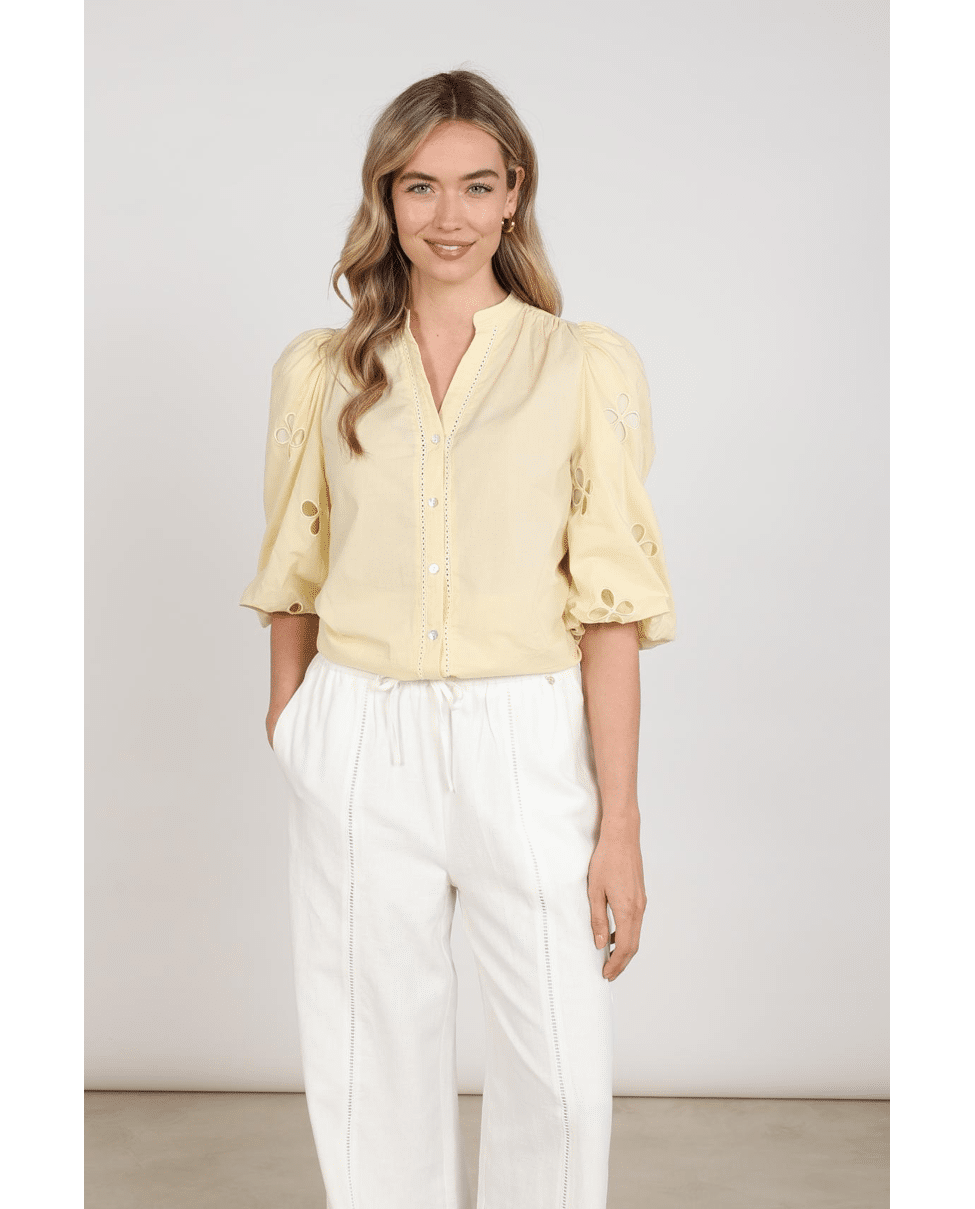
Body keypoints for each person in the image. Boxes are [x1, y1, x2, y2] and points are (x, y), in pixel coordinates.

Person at [239, 69, 676, 1209]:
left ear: (514, 194)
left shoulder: (579, 365)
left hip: (524, 733)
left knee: (562, 1074)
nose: (449, 216)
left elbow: (611, 605)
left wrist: (618, 825)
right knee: (367, 1057)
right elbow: (295, 566)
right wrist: (293, 722)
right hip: (357, 730)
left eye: (477, 185)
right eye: (419, 186)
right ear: (384, 198)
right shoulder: (322, 370)